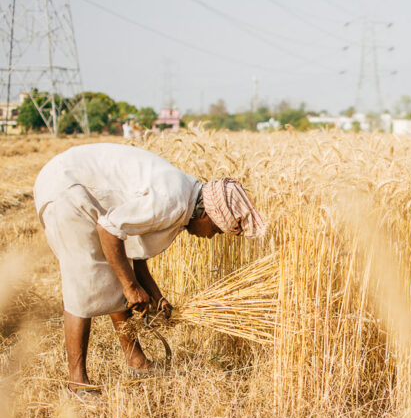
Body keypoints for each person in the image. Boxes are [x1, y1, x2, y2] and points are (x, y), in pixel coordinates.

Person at [33, 143, 266, 396]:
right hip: (65, 189)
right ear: (207, 215)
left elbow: (132, 248)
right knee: (84, 280)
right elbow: (109, 230)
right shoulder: (173, 202)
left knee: (117, 270)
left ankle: (136, 360)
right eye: (217, 230)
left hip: (74, 183)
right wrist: (131, 287)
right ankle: (77, 381)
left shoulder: (182, 198)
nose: (211, 237)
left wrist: (155, 295)